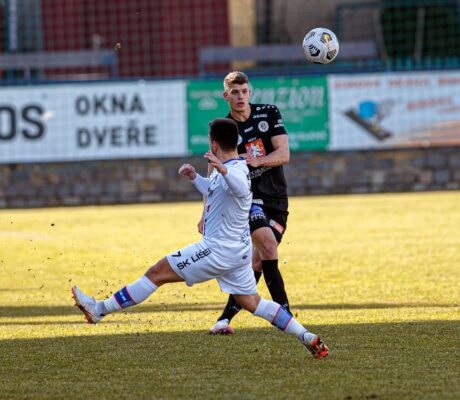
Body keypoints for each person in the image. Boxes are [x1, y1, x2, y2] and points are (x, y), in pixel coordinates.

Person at [71, 118, 328, 359]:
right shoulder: (225, 169)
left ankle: (99, 309)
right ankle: (306, 335)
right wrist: (196, 178)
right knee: (253, 303)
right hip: (237, 254)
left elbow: (238, 187)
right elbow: (217, 190)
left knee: (156, 273)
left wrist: (223, 172)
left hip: (217, 250)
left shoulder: (235, 169)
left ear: (213, 143)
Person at [207, 71, 293, 335]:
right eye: (235, 92)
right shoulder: (224, 127)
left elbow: (284, 153)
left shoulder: (269, 113)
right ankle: (285, 314)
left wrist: (258, 160)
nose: (240, 96)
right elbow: (213, 172)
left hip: (276, 198)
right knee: (267, 246)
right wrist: (205, 213)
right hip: (247, 200)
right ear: (226, 96)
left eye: (244, 91)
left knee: (257, 262)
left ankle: (224, 319)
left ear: (250, 92)